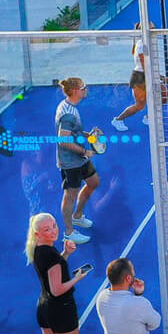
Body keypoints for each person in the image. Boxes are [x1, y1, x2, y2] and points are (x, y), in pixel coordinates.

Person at [54, 77, 102, 244]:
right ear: (75, 91)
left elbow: (73, 132)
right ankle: (68, 232)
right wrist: (84, 151)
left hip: (80, 158)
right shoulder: (68, 114)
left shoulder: (71, 107)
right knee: (70, 196)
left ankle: (77, 216)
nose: (86, 89)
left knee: (93, 182)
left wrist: (88, 135)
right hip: (70, 162)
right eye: (83, 87)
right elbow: (63, 140)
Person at [111, 26, 168, 132]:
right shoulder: (141, 45)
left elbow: (150, 66)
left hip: (148, 74)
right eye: (151, 28)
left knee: (165, 95)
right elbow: (145, 66)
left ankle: (149, 117)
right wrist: (158, 77)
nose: (153, 29)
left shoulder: (148, 43)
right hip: (139, 77)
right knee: (140, 105)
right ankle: (118, 120)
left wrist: (159, 76)